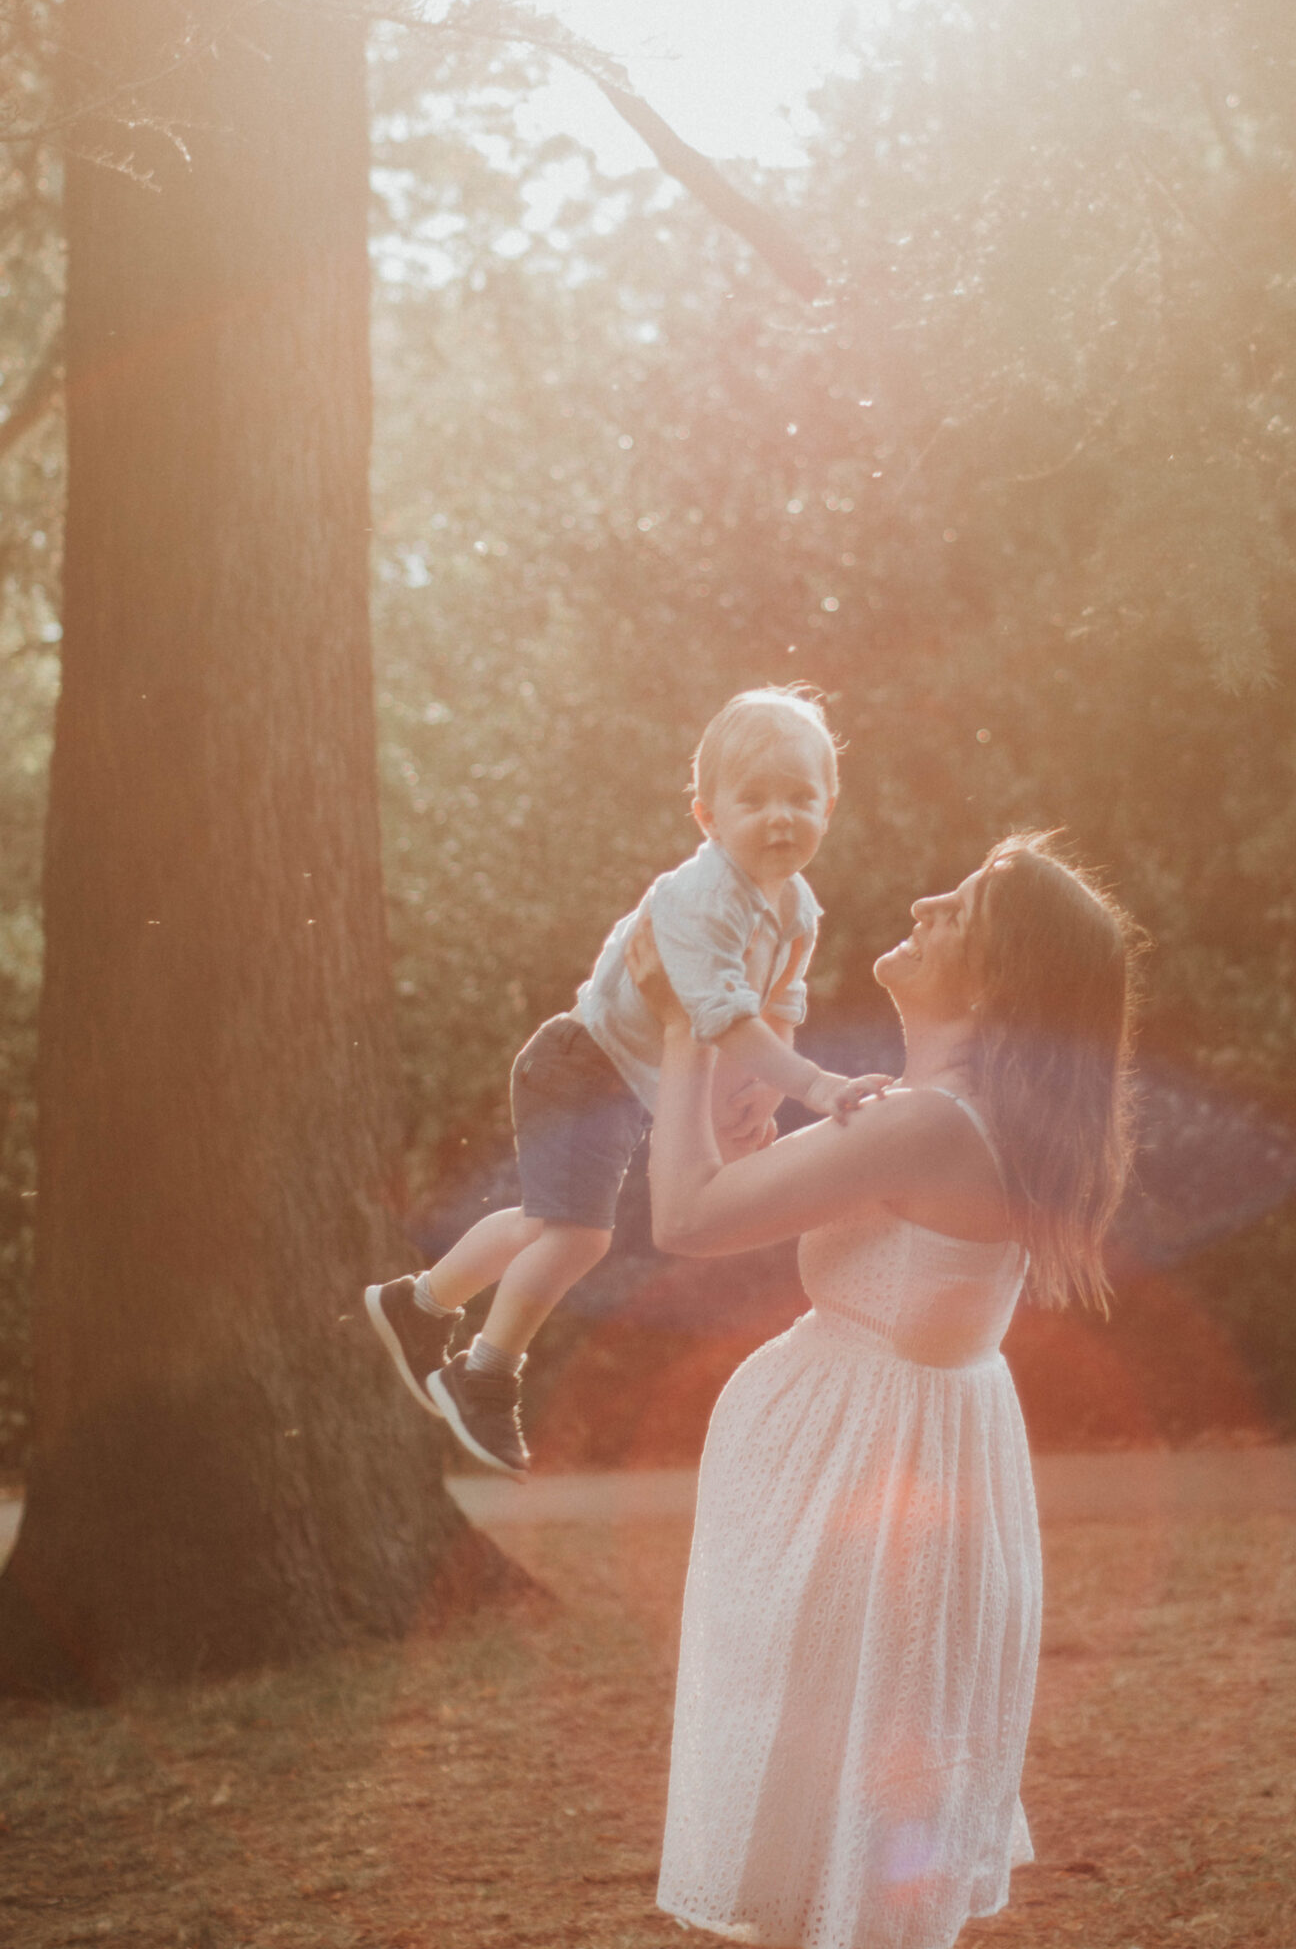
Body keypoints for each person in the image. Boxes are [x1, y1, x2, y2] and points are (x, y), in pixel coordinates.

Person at [630, 833, 1142, 1949]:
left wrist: (683, 1024)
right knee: (852, 1831)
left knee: (858, 1837)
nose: (924, 902)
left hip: (874, 1504)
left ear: (999, 980)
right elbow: (796, 1208)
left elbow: (684, 1218)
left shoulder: (926, 1124)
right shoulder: (942, 1115)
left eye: (961, 907)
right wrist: (748, 1134)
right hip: (900, 1486)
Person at [364, 686, 884, 1474]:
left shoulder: (797, 907)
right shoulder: (704, 898)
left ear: (829, 806)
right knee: (578, 1235)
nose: (779, 817)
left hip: (620, 1083)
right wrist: (812, 1086)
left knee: (548, 1224)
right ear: (707, 816)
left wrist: (763, 1092)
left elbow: (777, 1005)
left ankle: (418, 1304)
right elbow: (720, 1018)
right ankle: (483, 1375)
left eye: (799, 799)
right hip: (579, 1064)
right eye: (752, 800)